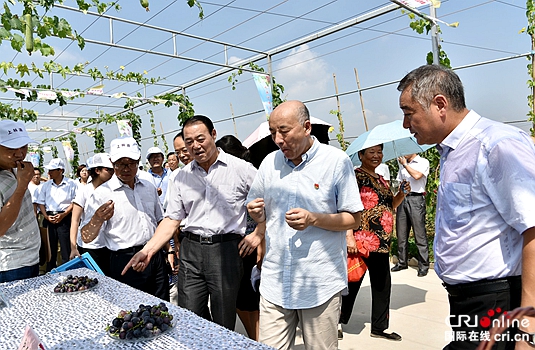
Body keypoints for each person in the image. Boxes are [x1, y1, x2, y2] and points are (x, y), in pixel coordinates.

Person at [397, 64, 535, 350]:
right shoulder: (452, 151)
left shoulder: (496, 146)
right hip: (467, 301)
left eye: (409, 113)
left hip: (496, 302)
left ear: (439, 104)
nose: (405, 124)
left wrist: (528, 329)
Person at [122, 116, 258, 331]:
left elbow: (272, 202)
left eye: (200, 139)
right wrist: (148, 251)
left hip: (226, 251)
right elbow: (171, 219)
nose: (195, 146)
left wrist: (258, 233)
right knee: (189, 315)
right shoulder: (180, 177)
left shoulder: (242, 169)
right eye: (189, 141)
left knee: (223, 320)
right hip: (191, 251)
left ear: (213, 135)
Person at [246, 100, 363, 350]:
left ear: (306, 127)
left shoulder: (336, 162)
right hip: (275, 280)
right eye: (272, 132)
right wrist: (256, 214)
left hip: (319, 281)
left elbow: (354, 218)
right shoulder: (269, 163)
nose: (278, 139)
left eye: (284, 131)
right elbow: (258, 209)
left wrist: (313, 218)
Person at [81, 137, 168, 300]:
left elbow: (160, 220)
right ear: (112, 163)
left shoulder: (148, 187)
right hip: (125, 260)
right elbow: (86, 236)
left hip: (154, 256)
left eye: (131, 163)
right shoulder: (101, 194)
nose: (126, 169)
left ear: (138, 161)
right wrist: (97, 219)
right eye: (120, 164)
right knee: (133, 311)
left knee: (163, 307)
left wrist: (167, 250)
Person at [338, 144, 409, 341]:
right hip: (361, 241)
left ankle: (379, 327)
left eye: (379, 152)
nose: (377, 155)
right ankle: (336, 322)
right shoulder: (355, 177)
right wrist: (349, 235)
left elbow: (390, 205)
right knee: (351, 284)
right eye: (372, 152)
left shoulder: (382, 180)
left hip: (382, 243)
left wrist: (401, 194)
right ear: (361, 155)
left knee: (382, 285)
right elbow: (347, 207)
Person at [216, 134, 265, 341]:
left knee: (248, 298)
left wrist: (259, 239)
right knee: (242, 299)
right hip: (235, 245)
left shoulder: (248, 175)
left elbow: (267, 210)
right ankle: (257, 339)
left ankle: (259, 341)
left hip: (249, 244)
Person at [0, 120, 41, 283]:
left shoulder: (17, 171)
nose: (19, 153)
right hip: (11, 264)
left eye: (23, 146)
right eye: (11, 148)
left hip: (30, 257)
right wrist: (22, 185)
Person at [69, 154, 114, 275]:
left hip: (110, 244)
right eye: (108, 169)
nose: (112, 172)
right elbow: (75, 220)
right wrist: (73, 247)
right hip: (90, 245)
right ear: (97, 170)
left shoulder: (113, 189)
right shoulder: (84, 190)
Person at [391, 153, 430, 277]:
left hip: (416, 199)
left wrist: (405, 165)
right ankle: (402, 262)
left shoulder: (423, 162)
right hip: (403, 198)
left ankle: (423, 265)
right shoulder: (402, 165)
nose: (402, 153)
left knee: (419, 233)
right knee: (401, 233)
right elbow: (399, 184)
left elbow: (417, 176)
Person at [37, 158, 77, 272]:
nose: (49, 173)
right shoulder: (46, 185)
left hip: (64, 217)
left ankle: (68, 270)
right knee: (50, 247)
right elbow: (41, 202)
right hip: (49, 217)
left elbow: (75, 201)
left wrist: (64, 214)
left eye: (52, 170)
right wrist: (46, 216)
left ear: (60, 170)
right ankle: (51, 270)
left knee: (65, 246)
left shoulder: (71, 184)